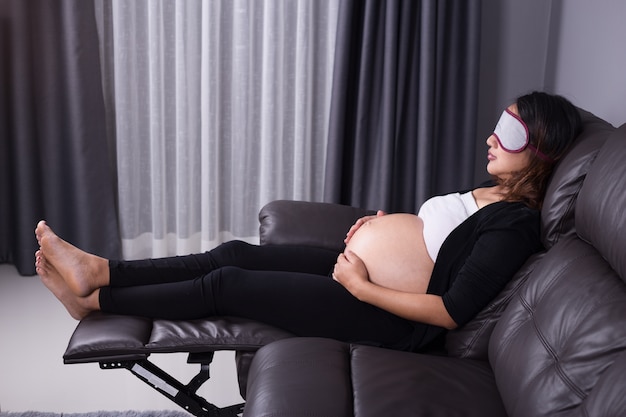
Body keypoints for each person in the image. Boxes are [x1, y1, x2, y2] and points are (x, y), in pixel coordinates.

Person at [35, 91, 582, 352]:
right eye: (497, 124)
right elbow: (442, 245)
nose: (491, 137)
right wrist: (384, 229)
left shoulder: (516, 223)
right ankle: (103, 269)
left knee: (229, 283)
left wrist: (362, 284)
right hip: (360, 279)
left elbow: (452, 311)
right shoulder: (492, 192)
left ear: (542, 151)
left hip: (387, 319)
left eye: (509, 134)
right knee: (233, 253)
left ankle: (95, 300)